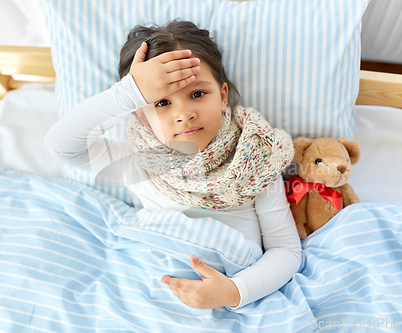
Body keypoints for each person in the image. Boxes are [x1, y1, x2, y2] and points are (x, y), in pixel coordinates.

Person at [45, 19, 302, 310]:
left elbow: (287, 251)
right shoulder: (138, 163)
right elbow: (62, 146)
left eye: (197, 94)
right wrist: (129, 93)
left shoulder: (257, 160)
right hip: (150, 296)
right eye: (161, 103)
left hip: (231, 297)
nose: (184, 114)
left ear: (223, 96)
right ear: (140, 115)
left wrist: (234, 291)